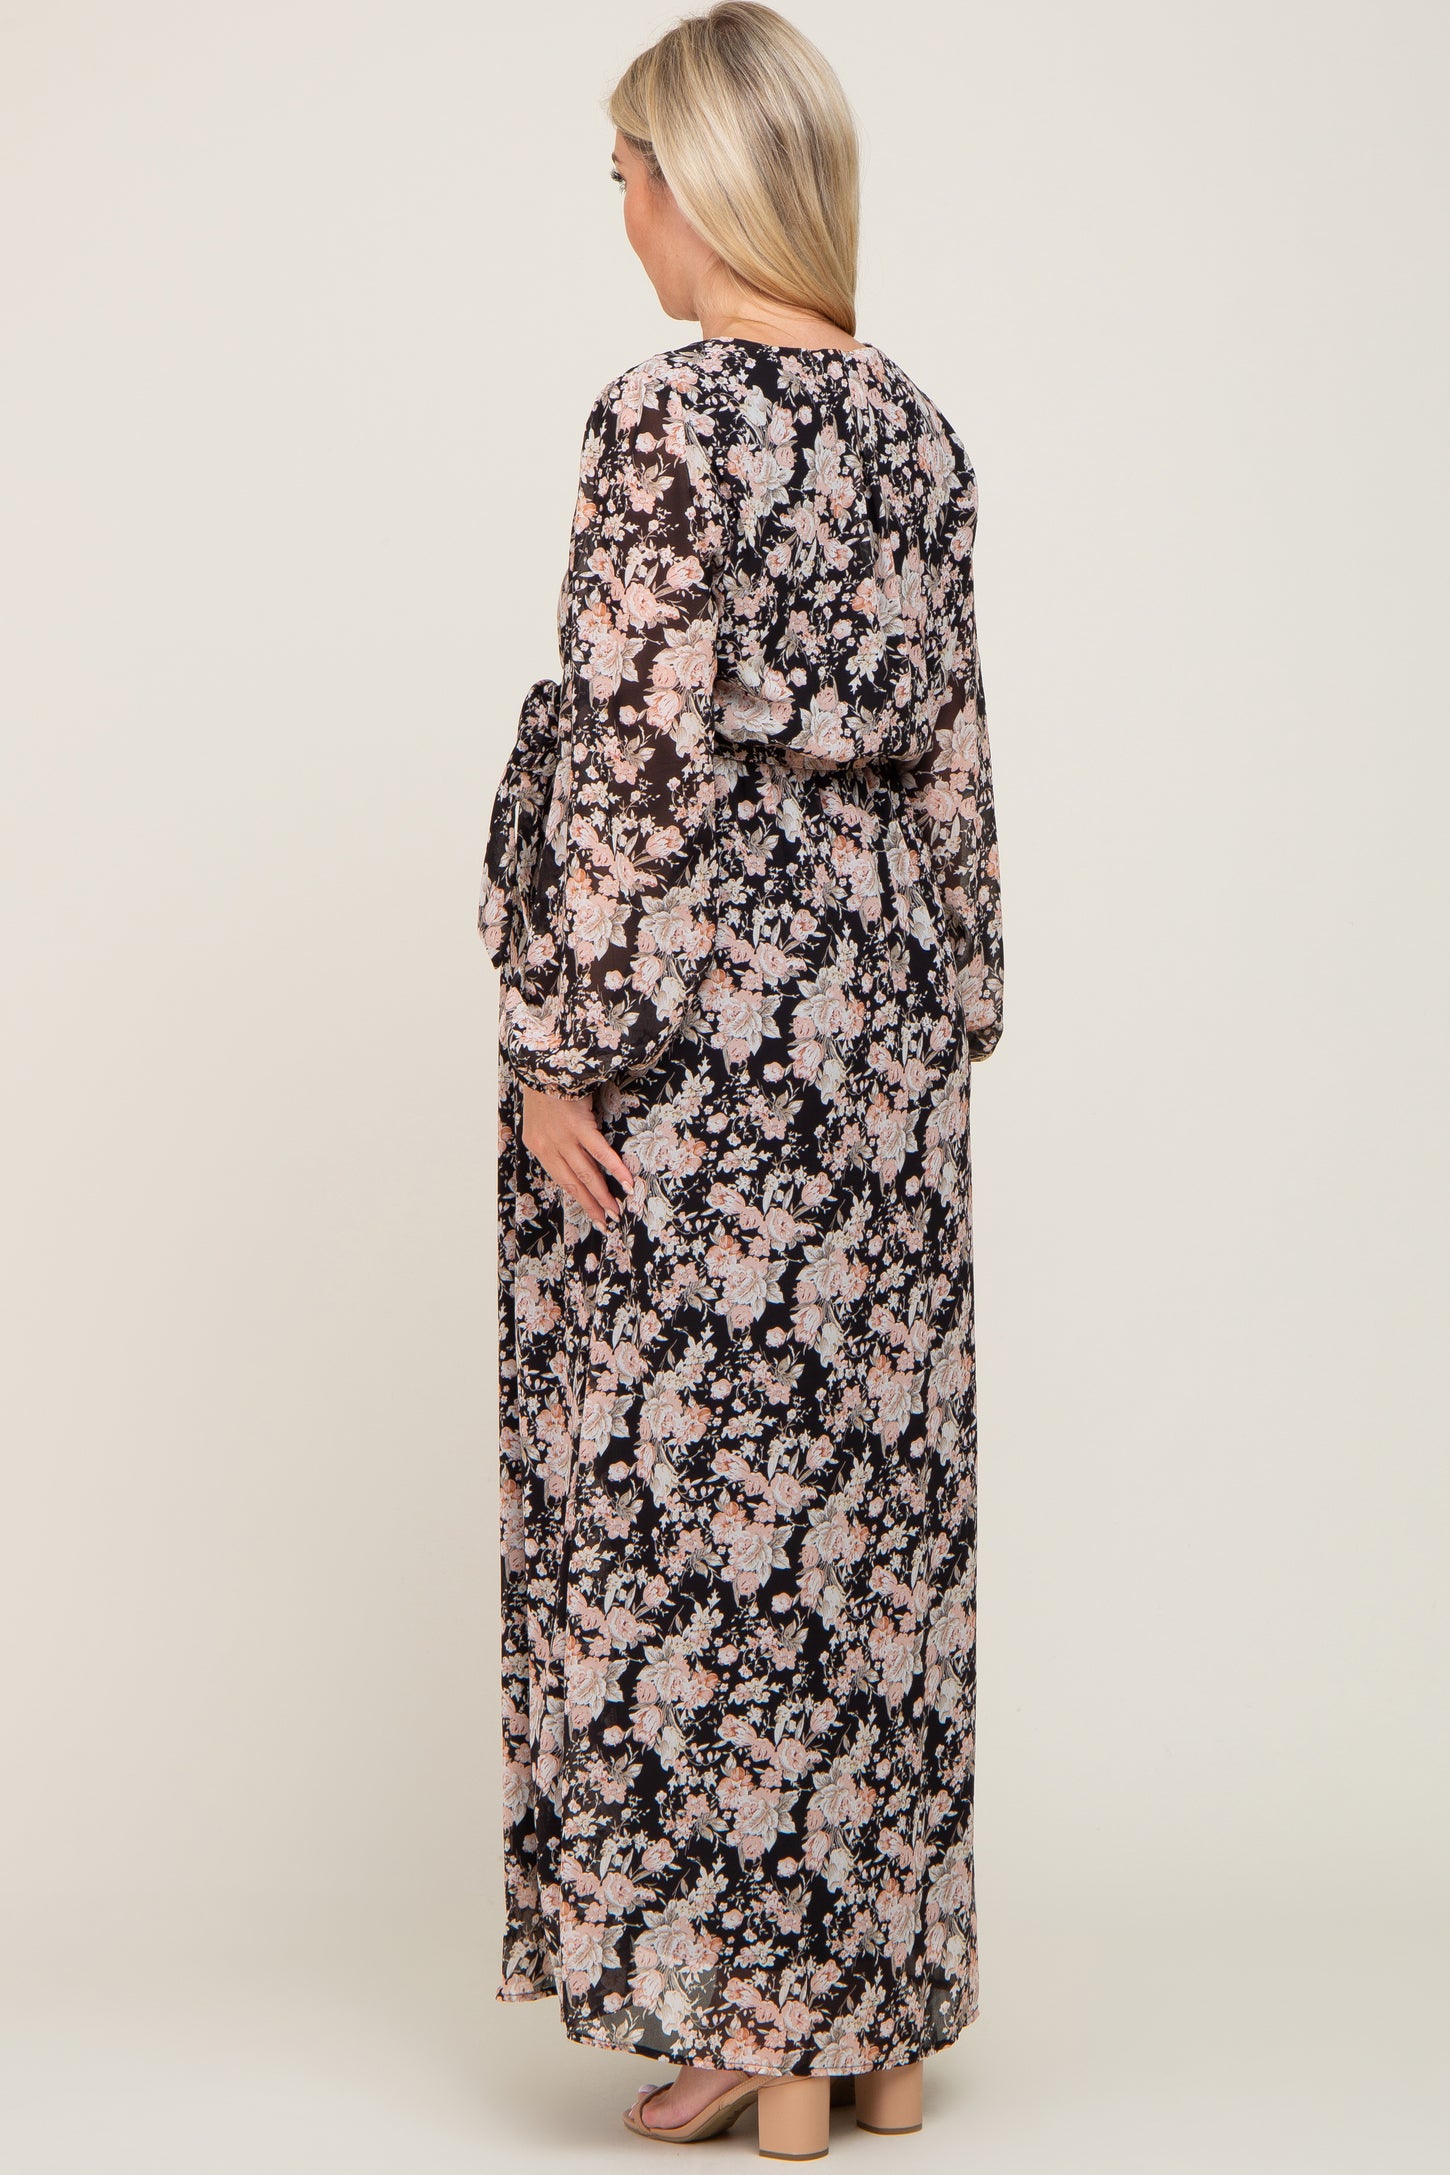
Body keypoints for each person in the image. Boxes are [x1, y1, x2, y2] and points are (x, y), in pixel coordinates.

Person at [477, 3, 1004, 2157]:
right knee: (863, 1506)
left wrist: (557, 1046)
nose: (620, 217)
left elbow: (630, 755)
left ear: (695, 184)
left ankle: (754, 2013)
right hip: (875, 1008)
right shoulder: (914, 428)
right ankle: (876, 2017)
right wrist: (948, 1013)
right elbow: (953, 755)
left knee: (699, 1507)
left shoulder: (663, 414)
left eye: (625, 176)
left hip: (702, 1007)